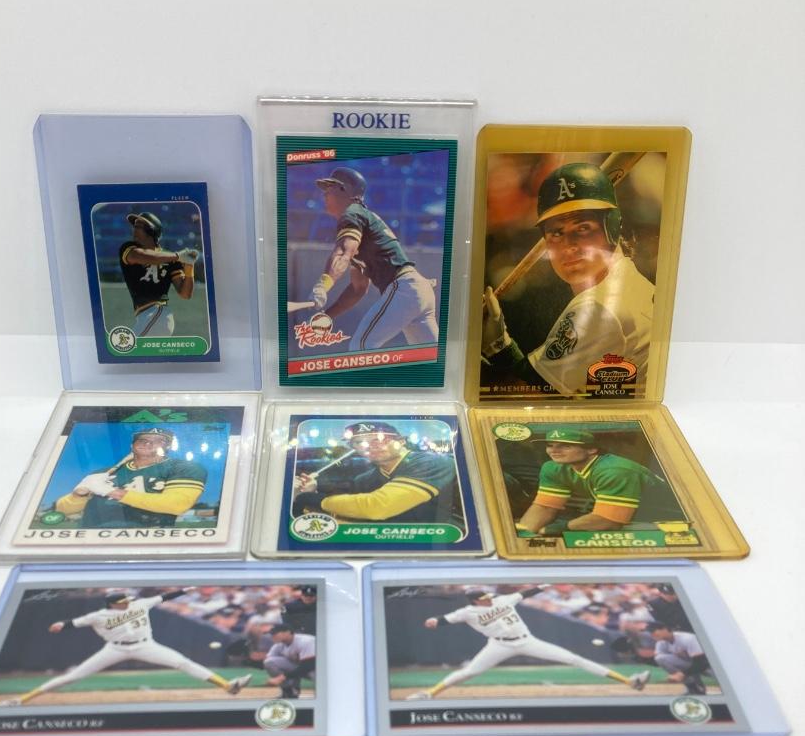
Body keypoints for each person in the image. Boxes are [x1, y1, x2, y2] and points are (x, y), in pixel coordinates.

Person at [482, 161, 654, 396]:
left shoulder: (598, 306)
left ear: (612, 228)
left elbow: (528, 396)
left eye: (582, 228)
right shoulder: (627, 280)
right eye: (556, 232)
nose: (568, 246)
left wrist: (497, 348)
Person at [0, 590, 251, 706]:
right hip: (114, 649)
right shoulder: (98, 615)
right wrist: (61, 625)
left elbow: (164, 597)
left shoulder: (139, 604)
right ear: (113, 604)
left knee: (183, 662)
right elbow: (73, 623)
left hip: (146, 646)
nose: (128, 602)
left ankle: (227, 686)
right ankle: (21, 700)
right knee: (72, 677)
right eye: (123, 601)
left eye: (127, 599)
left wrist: (185, 590)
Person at [407, 587, 650, 699]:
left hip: (527, 641)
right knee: (469, 672)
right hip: (498, 645)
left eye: (488, 596)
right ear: (475, 601)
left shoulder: (502, 600)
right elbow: (444, 620)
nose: (489, 599)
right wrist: (433, 620)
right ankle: (429, 693)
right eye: (484, 598)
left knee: (573, 659)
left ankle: (630, 681)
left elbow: (525, 593)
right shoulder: (467, 612)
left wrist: (543, 586)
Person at [307, 167, 438, 350]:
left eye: (330, 187)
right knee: (431, 357)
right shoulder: (361, 217)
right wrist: (327, 316)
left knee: (361, 347)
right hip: (418, 291)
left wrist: (323, 284)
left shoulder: (352, 213)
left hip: (405, 289)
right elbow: (358, 288)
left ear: (344, 189)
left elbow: (343, 253)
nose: (325, 194)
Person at [515, 428, 686, 535]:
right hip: (626, 516)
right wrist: (523, 535)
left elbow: (609, 521)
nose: (554, 451)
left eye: (566, 446)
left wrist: (562, 528)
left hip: (669, 519)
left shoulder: (616, 470)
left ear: (592, 449)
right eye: (550, 445)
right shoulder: (554, 468)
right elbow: (545, 507)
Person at [293, 421, 462, 527]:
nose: (372, 446)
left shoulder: (433, 462)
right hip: (394, 542)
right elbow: (354, 511)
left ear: (402, 441)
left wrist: (308, 498)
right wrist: (313, 488)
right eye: (360, 442)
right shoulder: (365, 479)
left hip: (446, 540)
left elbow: (378, 507)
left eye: (381, 439)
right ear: (355, 449)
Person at [53, 428, 206, 529]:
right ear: (132, 446)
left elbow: (176, 504)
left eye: (158, 440)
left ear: (168, 447)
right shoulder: (102, 473)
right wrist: (79, 495)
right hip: (93, 537)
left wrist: (111, 491)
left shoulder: (183, 468)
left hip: (148, 537)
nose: (148, 443)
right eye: (142, 440)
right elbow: (63, 509)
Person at [119, 211, 198, 338]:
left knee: (132, 347)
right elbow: (145, 256)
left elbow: (185, 294)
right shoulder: (129, 248)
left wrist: (189, 265)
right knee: (130, 347)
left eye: (139, 226)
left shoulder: (172, 258)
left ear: (151, 230)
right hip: (143, 317)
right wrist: (178, 256)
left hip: (158, 313)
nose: (134, 229)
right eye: (134, 226)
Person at [650, 624, 711, 694]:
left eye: (653, 631)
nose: (652, 634)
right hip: (691, 664)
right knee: (660, 658)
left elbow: (702, 663)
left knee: (721, 677)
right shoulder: (661, 642)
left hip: (710, 666)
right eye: (650, 632)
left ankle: (697, 683)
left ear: (665, 629)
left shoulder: (687, 638)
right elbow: (660, 660)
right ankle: (693, 687)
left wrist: (681, 674)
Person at [262, 624, 316, 699]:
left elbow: (309, 665)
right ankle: (290, 691)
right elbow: (268, 662)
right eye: (272, 634)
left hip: (319, 669)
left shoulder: (306, 641)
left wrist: (280, 678)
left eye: (275, 633)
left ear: (288, 632)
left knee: (319, 680)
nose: (272, 636)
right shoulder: (279, 645)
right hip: (301, 667)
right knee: (269, 662)